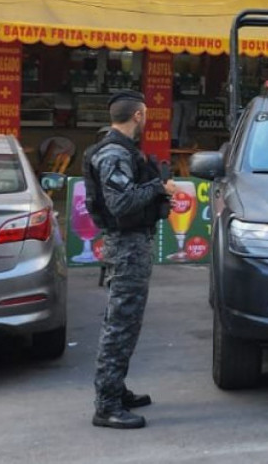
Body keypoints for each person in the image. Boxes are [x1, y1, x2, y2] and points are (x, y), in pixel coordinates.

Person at [83, 90, 178, 429]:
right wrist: (158, 188)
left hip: (132, 246)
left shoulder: (121, 152)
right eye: (146, 115)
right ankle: (106, 404)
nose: (146, 120)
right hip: (125, 248)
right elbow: (121, 204)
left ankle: (116, 389)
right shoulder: (113, 154)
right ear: (138, 115)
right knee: (119, 324)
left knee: (128, 322)